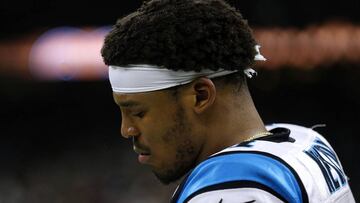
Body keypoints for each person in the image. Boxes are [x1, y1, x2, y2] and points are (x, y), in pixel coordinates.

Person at [101, 0, 355, 202]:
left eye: (138, 112)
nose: (127, 130)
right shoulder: (305, 141)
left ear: (201, 95)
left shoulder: (232, 188)